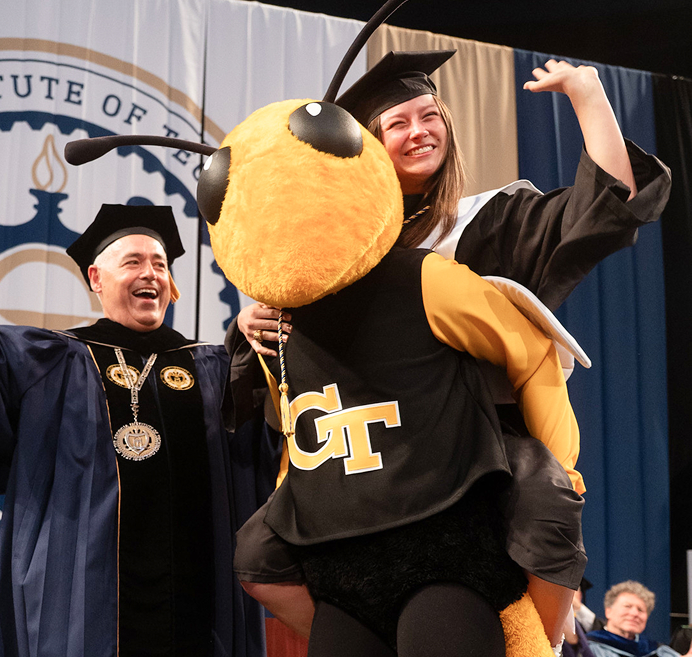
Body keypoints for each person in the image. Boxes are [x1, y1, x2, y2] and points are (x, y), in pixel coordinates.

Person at [229, 49, 670, 645]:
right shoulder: (340, 252)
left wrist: (588, 96)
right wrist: (253, 314)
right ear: (368, 147)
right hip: (370, 450)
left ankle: (540, 639)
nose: (418, 132)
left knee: (543, 492)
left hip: (475, 439)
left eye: (428, 115)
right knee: (258, 547)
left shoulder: (485, 222)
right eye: (397, 123)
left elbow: (604, 207)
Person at [0, 166, 271, 657]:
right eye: (134, 262)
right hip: (78, 598)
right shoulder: (54, 360)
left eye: (161, 264)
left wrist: (252, 336)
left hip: (199, 603)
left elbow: (266, 424)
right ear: (96, 278)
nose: (152, 273)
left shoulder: (209, 366)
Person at [586, 581, 691, 657]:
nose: (634, 613)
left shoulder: (656, 651)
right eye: (627, 606)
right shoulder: (589, 647)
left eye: (640, 610)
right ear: (608, 611)